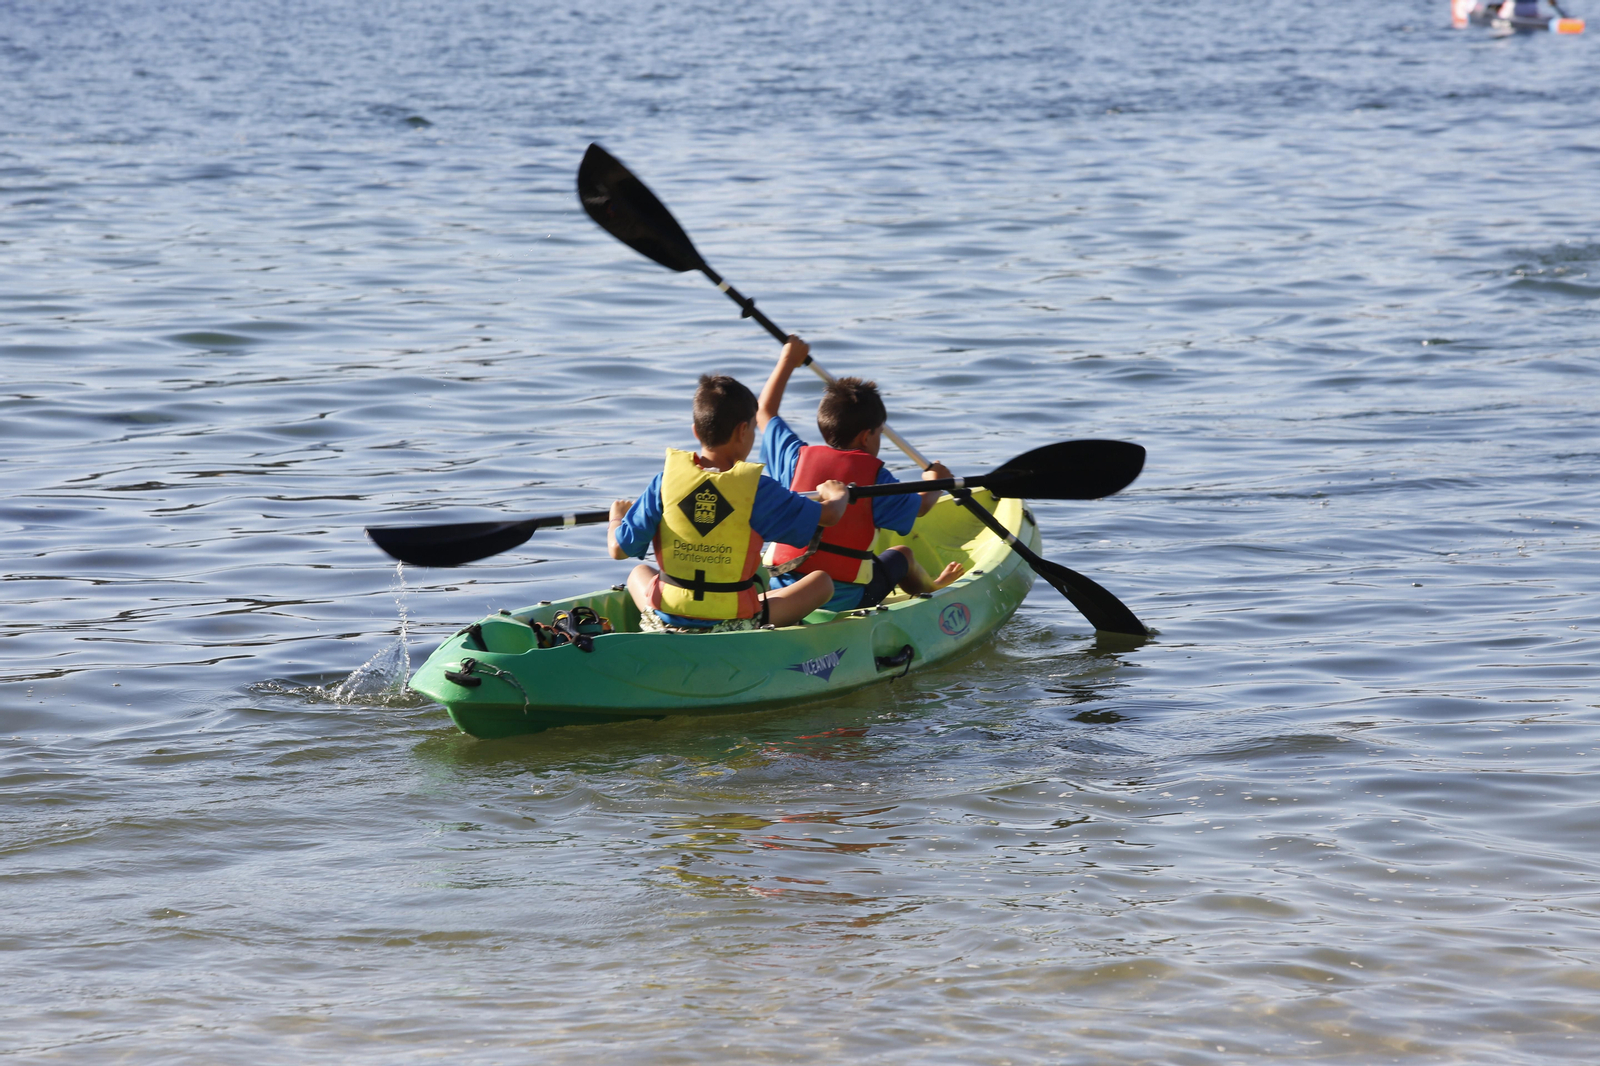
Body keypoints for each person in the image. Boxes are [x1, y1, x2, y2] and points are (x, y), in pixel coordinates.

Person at [608, 372, 850, 632]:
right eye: (753, 431)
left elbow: (618, 550)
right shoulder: (757, 489)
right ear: (743, 431)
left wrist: (617, 518)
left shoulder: (664, 482)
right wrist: (838, 495)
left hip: (665, 621)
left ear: (695, 431)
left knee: (638, 572)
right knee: (822, 582)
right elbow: (829, 516)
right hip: (733, 625)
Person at [756, 335, 965, 614]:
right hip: (844, 600)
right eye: (879, 433)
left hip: (782, 589)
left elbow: (764, 412)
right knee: (902, 554)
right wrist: (935, 481)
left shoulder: (793, 457)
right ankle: (934, 587)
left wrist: (787, 361)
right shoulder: (876, 477)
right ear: (866, 436)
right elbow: (923, 505)